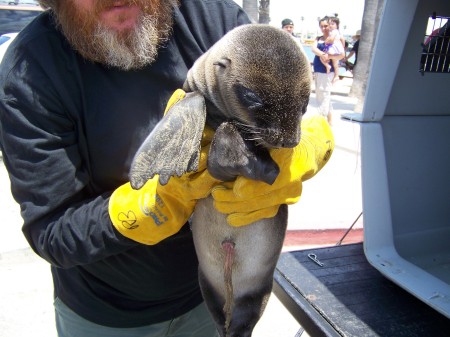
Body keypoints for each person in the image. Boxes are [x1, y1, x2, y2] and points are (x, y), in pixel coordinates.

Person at [0, 1, 334, 336]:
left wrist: (298, 151)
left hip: (206, 298)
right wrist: (159, 203)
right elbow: (53, 233)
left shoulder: (211, 18)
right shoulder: (31, 72)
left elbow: (279, 95)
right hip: (108, 316)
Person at [312, 16, 342, 125]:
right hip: (318, 70)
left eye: (326, 26)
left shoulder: (334, 39)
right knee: (322, 95)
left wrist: (328, 57)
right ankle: (329, 122)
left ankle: (321, 121)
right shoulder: (318, 38)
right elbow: (313, 49)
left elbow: (341, 55)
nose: (324, 28)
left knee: (323, 95)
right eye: (322, 26)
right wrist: (322, 54)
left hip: (326, 72)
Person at [320, 16, 345, 83]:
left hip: (334, 49)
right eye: (329, 24)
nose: (330, 25)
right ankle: (336, 76)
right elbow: (342, 39)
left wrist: (327, 41)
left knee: (322, 57)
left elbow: (331, 39)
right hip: (336, 50)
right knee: (335, 64)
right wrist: (342, 47)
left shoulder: (334, 31)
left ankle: (327, 66)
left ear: (337, 25)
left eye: (333, 24)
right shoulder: (335, 32)